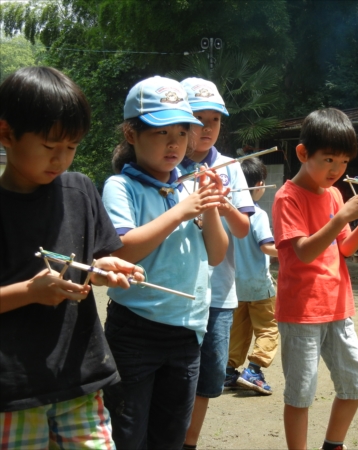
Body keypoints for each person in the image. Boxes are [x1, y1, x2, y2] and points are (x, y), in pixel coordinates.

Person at [0, 67, 144, 448]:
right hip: (12, 390)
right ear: (6, 134)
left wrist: (101, 270)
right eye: (50, 146)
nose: (61, 159)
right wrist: (30, 291)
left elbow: (88, 265)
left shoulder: (79, 190)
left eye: (72, 146)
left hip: (80, 376)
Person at [101, 76, 229, 448]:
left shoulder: (190, 186)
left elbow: (217, 255)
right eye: (160, 131)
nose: (174, 143)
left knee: (170, 437)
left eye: (182, 131)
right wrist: (181, 212)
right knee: (127, 435)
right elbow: (121, 251)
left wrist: (211, 207)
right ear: (131, 133)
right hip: (137, 331)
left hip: (188, 333)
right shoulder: (121, 187)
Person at [272, 108, 358, 450]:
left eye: (344, 161)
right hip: (301, 311)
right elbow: (304, 252)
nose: (336, 170)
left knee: (356, 381)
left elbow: (345, 248)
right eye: (329, 159)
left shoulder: (335, 194)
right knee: (301, 393)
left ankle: (333, 444)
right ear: (303, 154)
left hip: (338, 306)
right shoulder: (286, 197)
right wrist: (343, 216)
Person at [178, 78, 254, 450]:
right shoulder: (168, 164)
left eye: (215, 120)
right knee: (175, 372)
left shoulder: (230, 166)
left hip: (219, 293)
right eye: (197, 118)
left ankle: (189, 442)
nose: (206, 128)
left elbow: (242, 229)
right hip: (177, 290)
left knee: (208, 377)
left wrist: (223, 204)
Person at [225, 157, 279, 395]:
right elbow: (267, 247)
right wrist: (295, 253)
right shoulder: (257, 213)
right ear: (259, 186)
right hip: (258, 285)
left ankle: (228, 371)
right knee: (269, 328)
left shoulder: (225, 213)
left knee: (238, 330)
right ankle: (254, 371)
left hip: (233, 287)